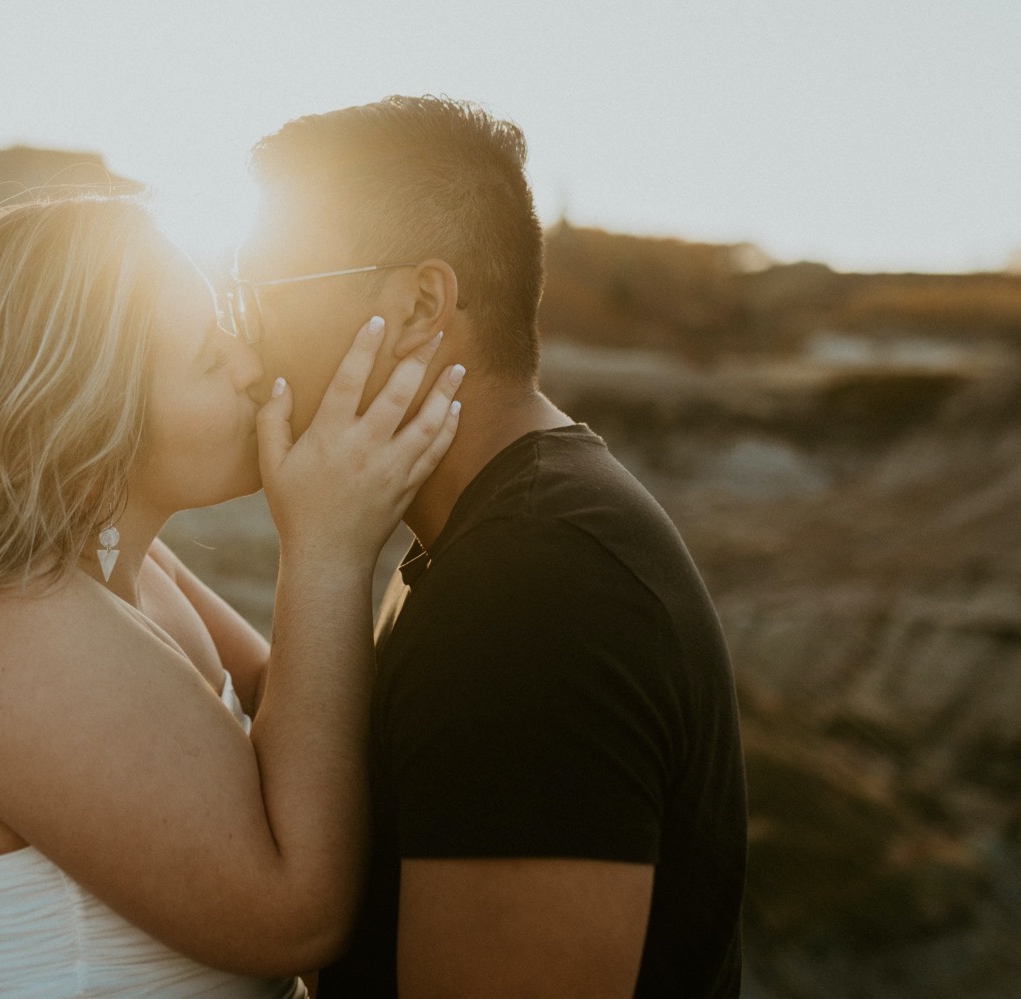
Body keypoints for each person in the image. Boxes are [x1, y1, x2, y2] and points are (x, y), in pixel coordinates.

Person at [0, 194, 466, 997]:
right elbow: (294, 915)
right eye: (208, 357)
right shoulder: (5, 635)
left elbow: (293, 711)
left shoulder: (126, 565)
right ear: (85, 417)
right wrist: (327, 549)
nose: (249, 364)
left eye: (228, 325)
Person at [226, 96, 748, 997]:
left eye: (260, 295)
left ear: (421, 303)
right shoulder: (488, 537)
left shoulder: (537, 584)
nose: (242, 339)